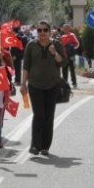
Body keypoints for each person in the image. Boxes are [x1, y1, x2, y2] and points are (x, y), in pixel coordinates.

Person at [21, 22, 66, 157]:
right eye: (39, 30)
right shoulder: (31, 45)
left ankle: (45, 146)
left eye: (45, 30)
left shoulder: (56, 44)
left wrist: (54, 53)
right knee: (39, 115)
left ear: (50, 31)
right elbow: (26, 66)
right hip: (35, 85)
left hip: (53, 85)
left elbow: (63, 62)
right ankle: (35, 145)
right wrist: (23, 84)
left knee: (49, 116)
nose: (42, 32)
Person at [59, 24, 80, 88]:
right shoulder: (62, 36)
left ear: (69, 28)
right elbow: (61, 46)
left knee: (72, 70)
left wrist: (72, 48)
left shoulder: (72, 35)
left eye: (66, 28)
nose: (65, 30)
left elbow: (77, 44)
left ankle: (74, 83)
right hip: (64, 56)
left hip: (71, 55)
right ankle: (65, 83)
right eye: (64, 28)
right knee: (64, 70)